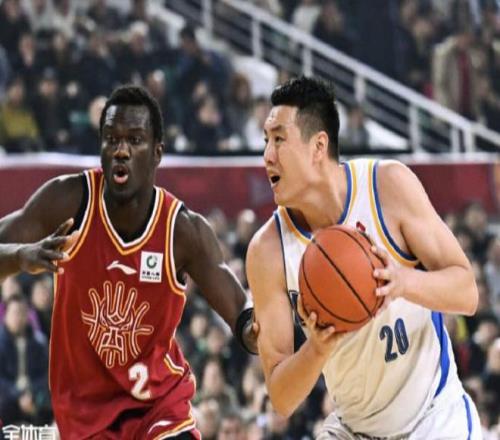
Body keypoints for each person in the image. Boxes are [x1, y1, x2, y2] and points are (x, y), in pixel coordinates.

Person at [0, 85, 256, 439]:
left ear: (157, 152)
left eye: (134, 140)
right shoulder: (67, 201)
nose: (121, 150)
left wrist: (261, 330)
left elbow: (241, 312)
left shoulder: (181, 230)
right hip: (83, 418)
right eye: (111, 139)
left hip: (158, 411)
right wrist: (20, 255)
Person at [246, 76, 481, 438]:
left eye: (279, 139)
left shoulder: (387, 186)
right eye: (266, 141)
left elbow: (467, 293)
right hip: (354, 428)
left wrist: (402, 282)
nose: (267, 156)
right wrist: (316, 349)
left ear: (318, 146)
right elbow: (281, 398)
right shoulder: (267, 251)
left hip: (433, 417)